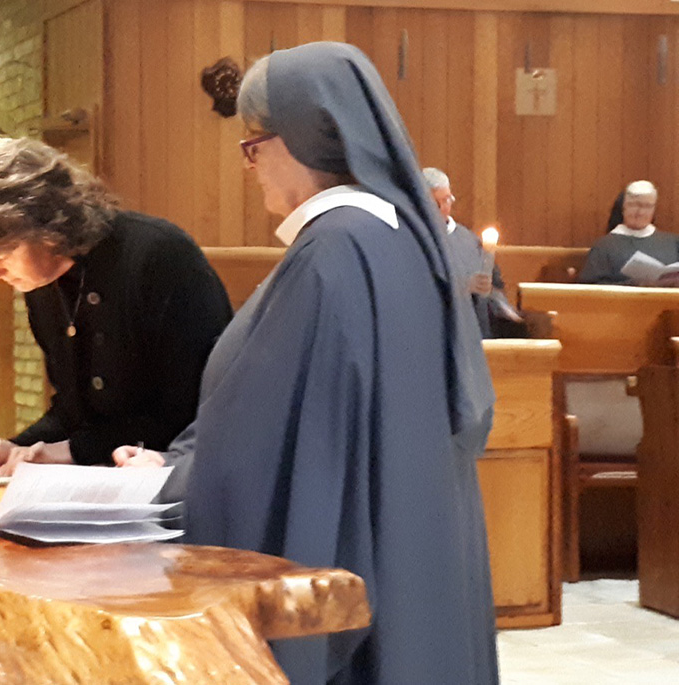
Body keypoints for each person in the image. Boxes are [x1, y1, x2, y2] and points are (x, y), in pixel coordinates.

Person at [114, 42, 497, 684]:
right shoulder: (396, 238)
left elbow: (270, 442)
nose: (248, 165)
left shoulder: (334, 253)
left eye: (252, 145)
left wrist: (165, 480)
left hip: (348, 565)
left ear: (303, 139)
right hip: (407, 546)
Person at [0, 135, 232, 473]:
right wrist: (13, 447)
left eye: (0, 255)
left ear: (45, 222)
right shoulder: (44, 285)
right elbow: (73, 415)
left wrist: (72, 451)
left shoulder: (158, 256)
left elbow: (194, 414)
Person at [423, 167, 522, 338]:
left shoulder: (469, 241)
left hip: (475, 334)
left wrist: (499, 302)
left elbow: (494, 287)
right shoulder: (411, 239)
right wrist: (463, 288)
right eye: (434, 204)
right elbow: (416, 291)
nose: (442, 208)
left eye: (446, 200)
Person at [580, 180, 678, 285]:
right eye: (634, 205)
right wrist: (633, 284)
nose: (640, 212)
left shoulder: (674, 242)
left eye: (647, 206)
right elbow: (590, 288)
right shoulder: (604, 246)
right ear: (623, 207)